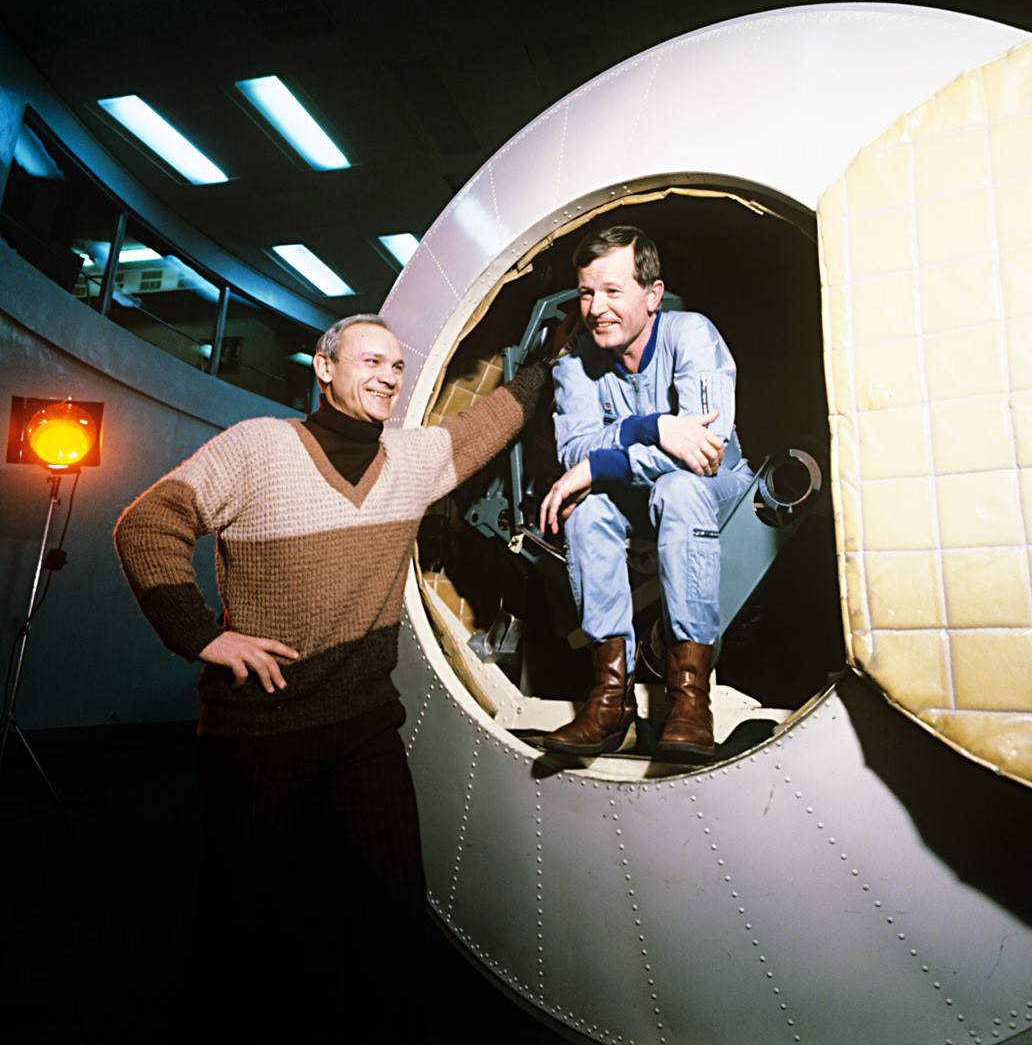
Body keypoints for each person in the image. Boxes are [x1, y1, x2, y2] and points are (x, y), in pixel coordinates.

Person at [114, 314, 547, 1043]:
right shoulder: (257, 447)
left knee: (391, 922)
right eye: (370, 360)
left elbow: (484, 425)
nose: (387, 376)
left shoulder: (410, 462)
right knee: (240, 930)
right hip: (259, 736)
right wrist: (203, 636)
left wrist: (553, 359)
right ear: (323, 367)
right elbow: (145, 525)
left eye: (397, 367)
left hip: (365, 732)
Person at [539, 225, 753, 763]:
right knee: (584, 509)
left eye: (613, 291)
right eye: (587, 292)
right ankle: (611, 700)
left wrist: (604, 462)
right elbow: (574, 455)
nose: (596, 308)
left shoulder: (691, 335)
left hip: (714, 485)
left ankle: (689, 699)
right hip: (635, 501)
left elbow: (704, 450)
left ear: (652, 295)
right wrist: (652, 427)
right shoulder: (573, 362)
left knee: (678, 487)